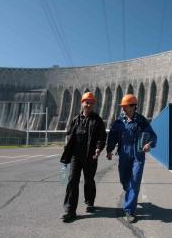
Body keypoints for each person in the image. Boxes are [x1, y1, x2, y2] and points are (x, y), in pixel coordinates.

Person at [106, 94, 157, 223]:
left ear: (133, 106)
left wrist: (149, 144)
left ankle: (129, 210)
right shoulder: (119, 122)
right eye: (122, 106)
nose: (123, 108)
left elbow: (152, 136)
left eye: (125, 106)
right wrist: (109, 150)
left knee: (134, 181)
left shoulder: (141, 121)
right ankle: (127, 189)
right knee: (124, 179)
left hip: (138, 156)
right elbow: (112, 137)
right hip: (123, 154)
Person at [60, 92, 107, 222]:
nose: (89, 104)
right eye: (87, 102)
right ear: (82, 103)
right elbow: (69, 134)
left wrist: (98, 148)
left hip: (90, 155)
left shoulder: (97, 120)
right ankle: (70, 210)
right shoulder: (75, 119)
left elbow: (102, 137)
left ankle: (90, 201)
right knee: (72, 181)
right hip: (76, 155)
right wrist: (67, 143)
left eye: (91, 103)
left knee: (89, 180)